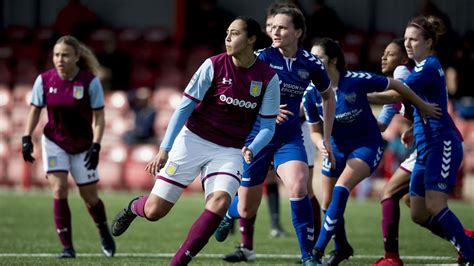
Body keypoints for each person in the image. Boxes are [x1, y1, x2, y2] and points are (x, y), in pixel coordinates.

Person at [109, 17, 280, 265]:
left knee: (220, 202)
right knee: (155, 211)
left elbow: (267, 126)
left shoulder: (267, 78)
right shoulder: (213, 65)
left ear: (251, 39)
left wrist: (252, 148)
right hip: (193, 141)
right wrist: (164, 149)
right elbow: (183, 108)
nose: (228, 38)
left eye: (235, 33)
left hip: (230, 150)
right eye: (227, 33)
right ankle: (135, 207)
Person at [214, 6, 336, 264]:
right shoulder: (259, 58)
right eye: (272, 27)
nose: (274, 31)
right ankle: (228, 213)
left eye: (282, 27)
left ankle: (307, 257)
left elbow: (328, 96)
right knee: (246, 208)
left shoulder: (310, 63)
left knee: (299, 185)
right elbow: (236, 92)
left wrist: (326, 136)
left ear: (298, 32)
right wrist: (265, 108)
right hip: (257, 138)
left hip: (289, 139)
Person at [303, 38, 440, 266]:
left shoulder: (356, 80)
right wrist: (320, 144)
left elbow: (396, 86)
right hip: (335, 148)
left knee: (340, 189)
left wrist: (422, 106)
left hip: (366, 145)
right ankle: (342, 247)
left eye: (318, 58)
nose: (312, 63)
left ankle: (315, 252)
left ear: (334, 60)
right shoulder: (311, 94)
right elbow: (314, 130)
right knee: (327, 203)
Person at [21, 35, 115, 258]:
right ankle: (67, 247)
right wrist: (26, 137)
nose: (59, 59)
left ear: (76, 56)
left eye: (65, 55)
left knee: (89, 197)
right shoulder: (44, 80)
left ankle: (103, 231)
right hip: (54, 142)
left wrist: (96, 146)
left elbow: (100, 118)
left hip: (83, 145)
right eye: (56, 55)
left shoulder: (90, 82)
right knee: (59, 189)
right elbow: (34, 110)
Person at [394, 16, 473, 264]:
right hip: (426, 145)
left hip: (443, 143)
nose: (407, 44)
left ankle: (470, 255)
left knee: (436, 205)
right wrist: (412, 130)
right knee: (417, 211)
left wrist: (360, 91)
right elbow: (424, 105)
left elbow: (397, 91)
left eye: (413, 39)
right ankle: (466, 241)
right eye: (405, 39)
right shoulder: (420, 67)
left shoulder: (428, 66)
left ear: (428, 42)